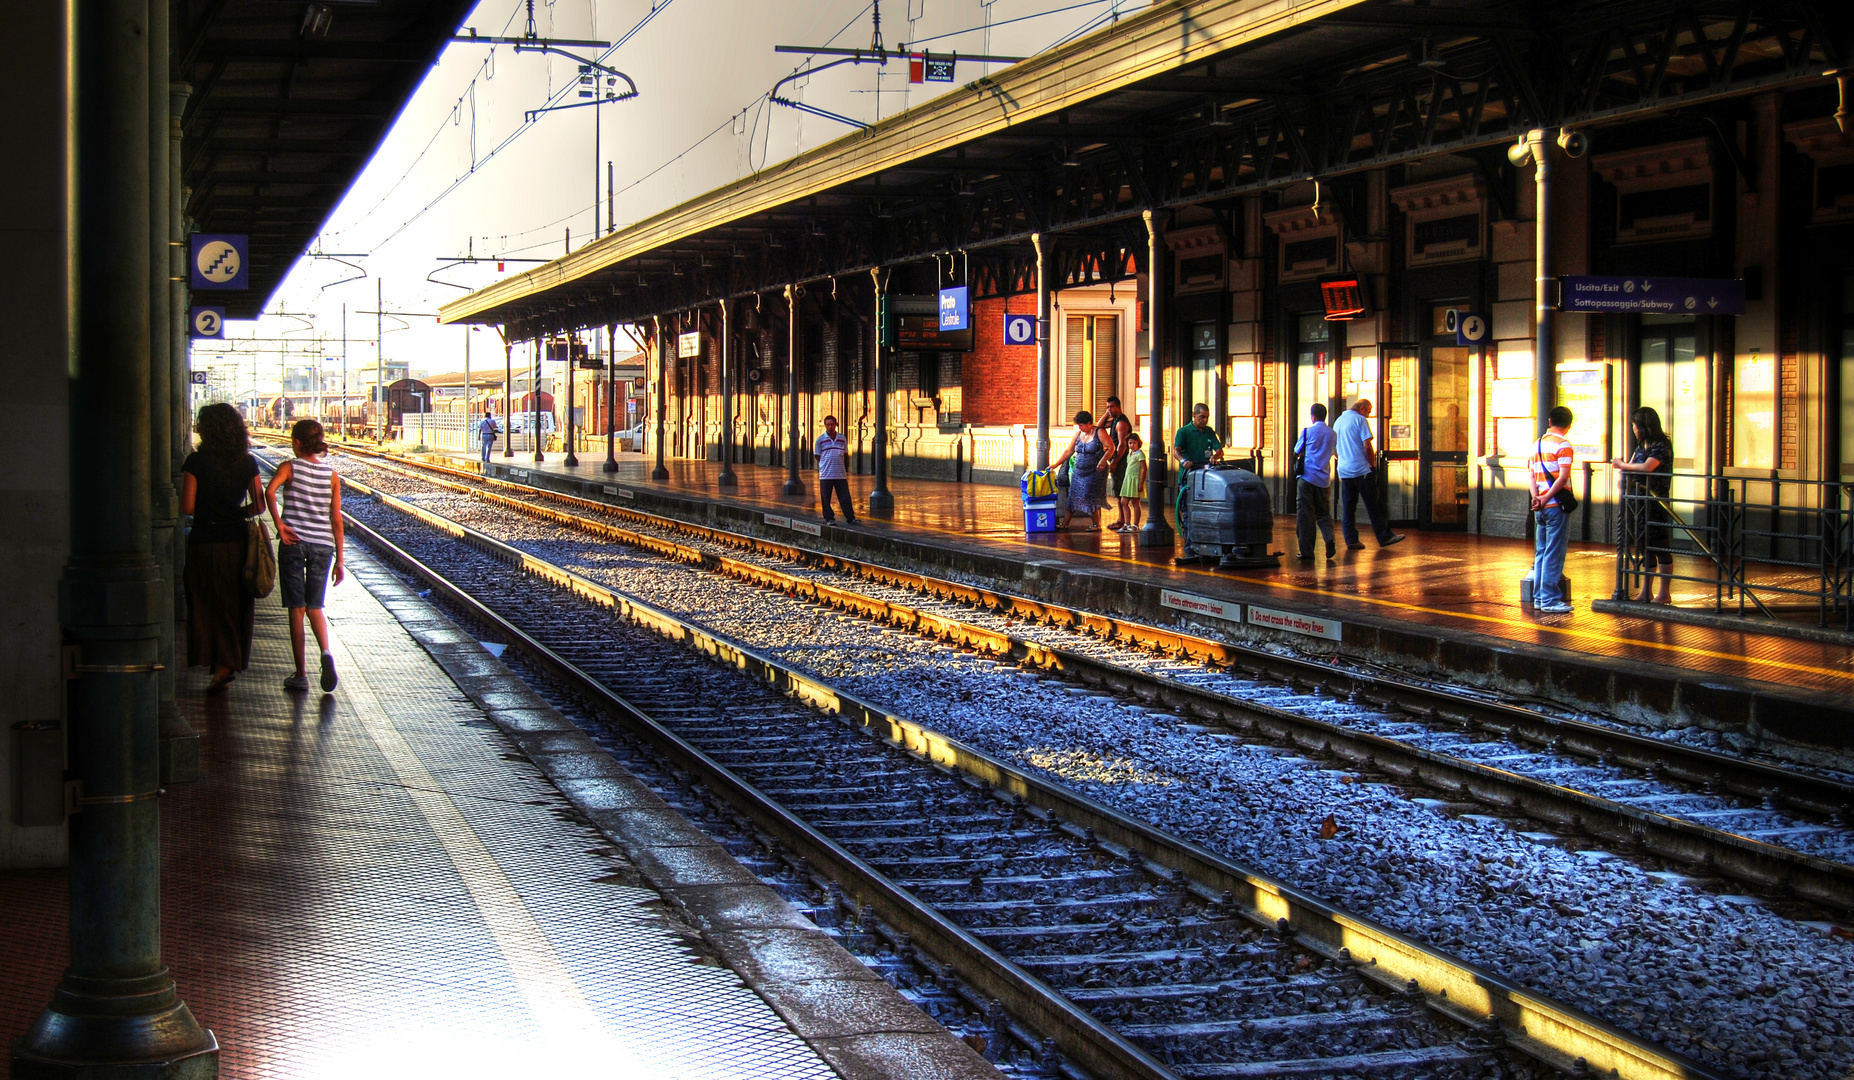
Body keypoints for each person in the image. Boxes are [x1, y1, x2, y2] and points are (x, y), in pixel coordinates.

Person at [180, 403, 265, 696]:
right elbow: (259, 504)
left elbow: (187, 507)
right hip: (238, 541)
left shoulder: (196, 462)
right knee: (234, 603)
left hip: (205, 540)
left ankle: (217, 663)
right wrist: (236, 514)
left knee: (204, 602)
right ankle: (227, 664)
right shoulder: (247, 462)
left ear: (209, 429)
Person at [266, 419, 346, 693]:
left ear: (297, 443)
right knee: (315, 607)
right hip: (323, 546)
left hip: (294, 542)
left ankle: (301, 674)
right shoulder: (332, 475)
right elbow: (336, 519)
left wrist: (279, 524)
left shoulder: (289, 467)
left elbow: (270, 491)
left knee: (296, 610)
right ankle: (325, 652)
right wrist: (341, 560)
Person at [1611, 406, 1673, 604]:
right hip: (1638, 504)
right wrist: (1625, 473)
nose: (1633, 429)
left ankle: (1664, 593)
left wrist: (1622, 465)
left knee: (1659, 544)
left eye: (1635, 425)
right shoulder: (1641, 446)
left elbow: (1648, 467)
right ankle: (1646, 591)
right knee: (1645, 546)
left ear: (1644, 426)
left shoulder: (1661, 445)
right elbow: (1632, 465)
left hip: (1655, 502)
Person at [1331, 399, 1404, 550]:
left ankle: (1351, 540)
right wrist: (1372, 464)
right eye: (1368, 411)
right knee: (1374, 505)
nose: (1368, 415)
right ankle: (1385, 536)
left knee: (1348, 507)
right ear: (1362, 408)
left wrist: (1344, 460)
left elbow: (1334, 449)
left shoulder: (1338, 421)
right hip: (1362, 470)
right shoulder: (1359, 419)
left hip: (1344, 471)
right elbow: (1367, 446)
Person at [1528, 405, 1577, 615]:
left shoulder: (1535, 445)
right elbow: (1563, 477)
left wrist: (1536, 498)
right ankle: (1549, 598)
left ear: (1549, 422)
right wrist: (1548, 497)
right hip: (1555, 505)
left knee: (1541, 552)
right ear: (1568, 426)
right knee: (1554, 553)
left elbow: (1531, 476)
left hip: (1539, 506)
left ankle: (1539, 598)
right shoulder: (1563, 445)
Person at [1292, 402, 1338, 561]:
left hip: (1307, 478)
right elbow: (1334, 452)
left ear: (1312, 416)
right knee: (1323, 513)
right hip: (1324, 480)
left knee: (1305, 516)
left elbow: (1296, 451)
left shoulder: (1307, 432)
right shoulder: (1332, 434)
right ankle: (1329, 539)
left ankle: (1307, 551)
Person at [1050, 411, 1109, 529]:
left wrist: (1103, 461)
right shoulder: (1078, 435)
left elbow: (1110, 448)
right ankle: (1065, 523)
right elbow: (1069, 451)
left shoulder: (1099, 432)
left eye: (1082, 425)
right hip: (1079, 472)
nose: (1080, 427)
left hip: (1094, 471)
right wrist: (1056, 464)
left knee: (1089, 495)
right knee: (1072, 495)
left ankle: (1096, 523)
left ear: (1089, 423)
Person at [816, 414, 857, 525]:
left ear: (836, 425)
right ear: (825, 426)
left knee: (845, 497)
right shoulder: (820, 440)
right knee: (826, 498)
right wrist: (824, 464)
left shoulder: (842, 438)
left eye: (832, 424)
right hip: (826, 474)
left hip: (840, 474)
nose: (830, 427)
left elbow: (845, 453)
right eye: (828, 425)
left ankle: (850, 517)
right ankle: (829, 518)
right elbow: (817, 455)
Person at [1099, 395, 1134, 497]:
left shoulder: (1121, 423)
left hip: (1121, 460)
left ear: (1118, 407)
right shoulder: (1115, 420)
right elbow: (1100, 427)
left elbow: (1122, 444)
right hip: (1116, 459)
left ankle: (1122, 513)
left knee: (1120, 490)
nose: (1109, 409)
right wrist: (1107, 413)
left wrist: (1115, 461)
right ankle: (1121, 513)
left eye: (1111, 407)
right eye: (1107, 407)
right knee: (1117, 491)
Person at [1114, 433, 1147, 533]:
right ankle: (1126, 523)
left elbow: (1144, 468)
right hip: (1128, 479)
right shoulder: (1130, 454)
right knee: (1124, 502)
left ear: (1138, 443)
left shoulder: (1139, 454)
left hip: (1135, 479)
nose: (1132, 445)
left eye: (1134, 443)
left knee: (1135, 502)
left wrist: (1141, 482)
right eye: (1130, 443)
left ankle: (1135, 525)